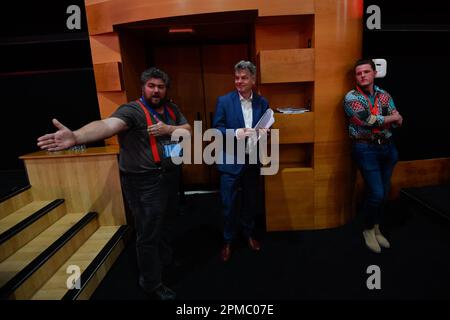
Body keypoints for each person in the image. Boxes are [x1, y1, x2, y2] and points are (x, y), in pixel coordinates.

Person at [37, 67, 192, 299]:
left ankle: (164, 260)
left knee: (167, 222)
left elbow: (187, 130)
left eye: (160, 86)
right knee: (148, 233)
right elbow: (108, 125)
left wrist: (169, 129)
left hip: (169, 178)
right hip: (144, 183)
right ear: (143, 87)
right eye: (151, 86)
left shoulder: (172, 108)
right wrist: (77, 136)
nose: (156, 90)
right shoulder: (132, 110)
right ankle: (151, 283)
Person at [343, 59, 403, 253]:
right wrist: (390, 118)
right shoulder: (351, 97)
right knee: (376, 193)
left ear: (374, 73)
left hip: (387, 148)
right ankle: (368, 229)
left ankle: (376, 227)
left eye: (366, 72)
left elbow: (397, 120)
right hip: (365, 149)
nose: (362, 75)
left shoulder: (384, 95)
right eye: (359, 73)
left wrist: (391, 119)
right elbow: (367, 120)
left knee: (383, 192)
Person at [212, 60, 270, 262]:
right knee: (228, 203)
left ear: (253, 79)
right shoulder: (224, 101)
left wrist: (265, 133)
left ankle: (248, 234)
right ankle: (228, 240)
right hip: (230, 160)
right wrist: (236, 132)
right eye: (237, 77)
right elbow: (216, 130)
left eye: (244, 77)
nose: (239, 81)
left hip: (253, 159)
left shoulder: (263, 102)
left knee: (251, 201)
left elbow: (265, 128)